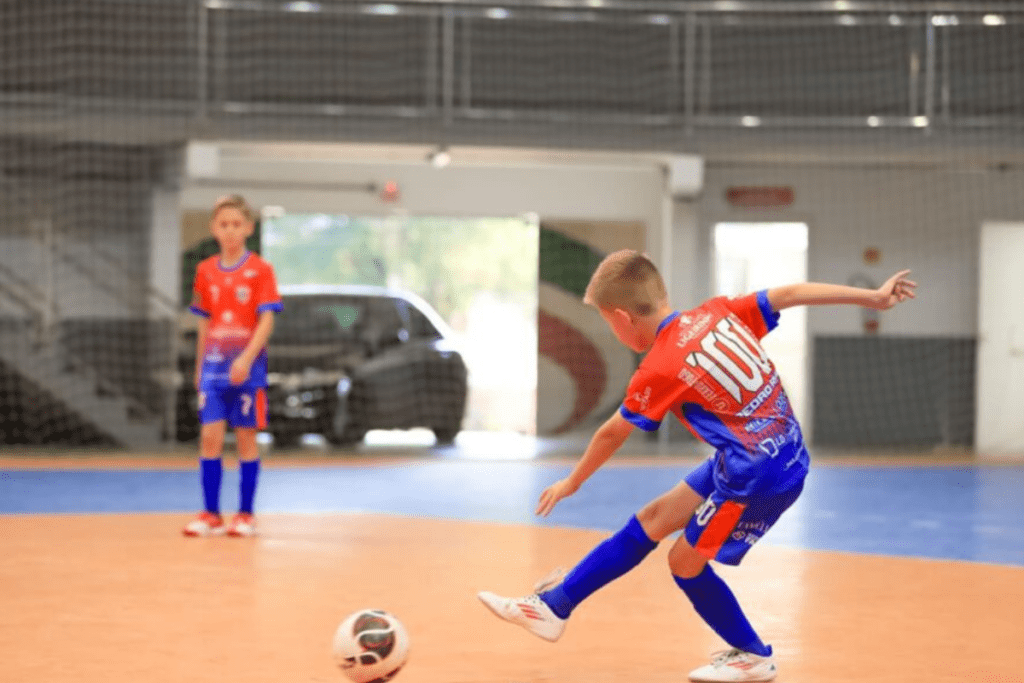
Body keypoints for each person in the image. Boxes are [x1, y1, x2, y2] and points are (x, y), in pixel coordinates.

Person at [478, 250, 916, 682]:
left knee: (684, 562)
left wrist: (572, 481)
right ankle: (554, 607)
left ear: (624, 318)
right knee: (654, 518)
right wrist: (872, 298)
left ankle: (753, 655)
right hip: (767, 453)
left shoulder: (660, 366)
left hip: (757, 475)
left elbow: (614, 431)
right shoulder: (719, 313)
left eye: (608, 323)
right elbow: (791, 292)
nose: (612, 331)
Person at [182, 195, 282, 538]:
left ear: (248, 229)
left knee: (245, 438)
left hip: (246, 369)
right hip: (213, 368)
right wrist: (199, 368)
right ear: (214, 228)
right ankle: (211, 514)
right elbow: (203, 324)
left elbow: (266, 322)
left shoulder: (261, 270)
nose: (229, 230)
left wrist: (246, 358)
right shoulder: (205, 271)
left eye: (236, 224)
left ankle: (245, 515)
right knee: (209, 438)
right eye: (223, 224)